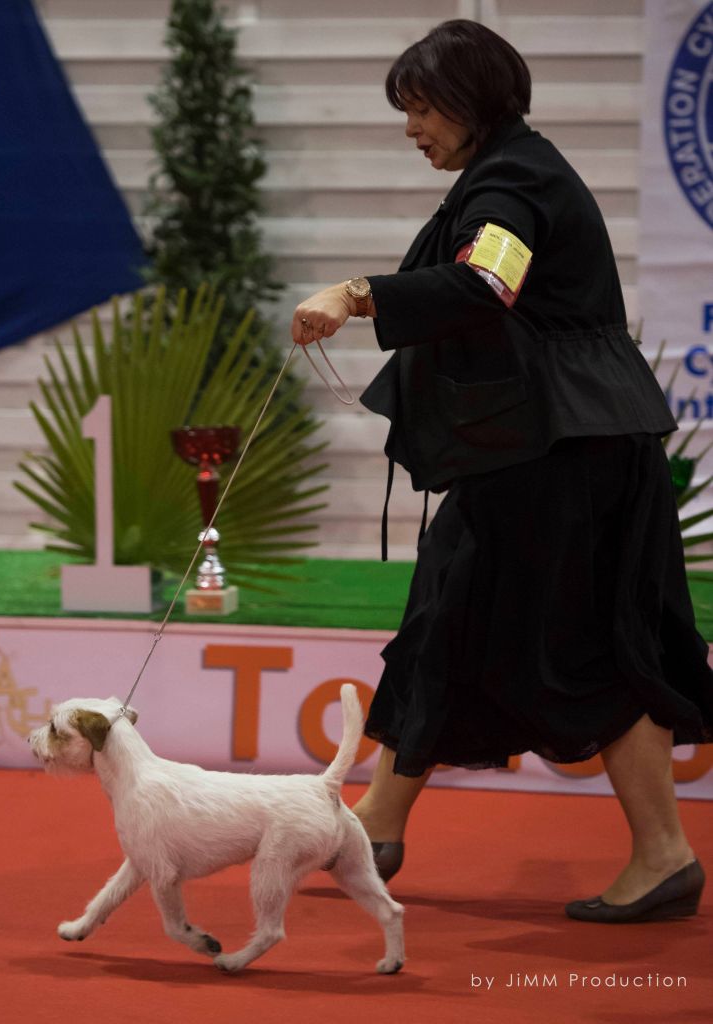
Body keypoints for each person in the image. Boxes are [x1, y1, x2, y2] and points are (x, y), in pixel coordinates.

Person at [290, 19, 712, 922]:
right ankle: (379, 824)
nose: (412, 130)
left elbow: (488, 285)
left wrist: (355, 294)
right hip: (535, 452)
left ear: (475, 101)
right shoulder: (502, 173)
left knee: (590, 649)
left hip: (567, 456)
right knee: (444, 619)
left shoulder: (516, 180)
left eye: (424, 108)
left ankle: (667, 854)